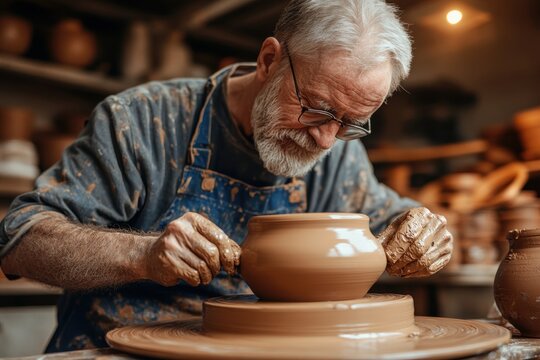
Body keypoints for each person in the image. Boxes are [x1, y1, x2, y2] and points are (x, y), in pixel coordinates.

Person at [0, 0, 452, 352]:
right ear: (269, 60)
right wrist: (143, 254)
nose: (326, 141)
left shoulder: (338, 157)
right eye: (316, 108)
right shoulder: (140, 122)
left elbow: (391, 219)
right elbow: (21, 238)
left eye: (352, 122)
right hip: (116, 351)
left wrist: (422, 230)